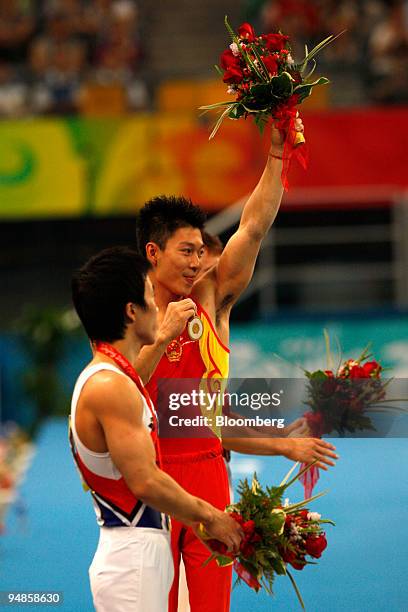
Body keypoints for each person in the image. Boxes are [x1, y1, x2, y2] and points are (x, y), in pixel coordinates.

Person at [135, 119, 339, 612]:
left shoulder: (212, 300)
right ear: (153, 253)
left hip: (206, 475)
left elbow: (254, 223)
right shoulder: (129, 313)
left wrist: (275, 152)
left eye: (201, 254)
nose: (196, 264)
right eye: (188, 252)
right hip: (148, 479)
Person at [69, 246, 243, 612]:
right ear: (131, 311)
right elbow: (145, 481)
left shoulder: (114, 378)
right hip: (133, 557)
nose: (159, 306)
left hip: (142, 550)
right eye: (150, 296)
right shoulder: (110, 386)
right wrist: (211, 515)